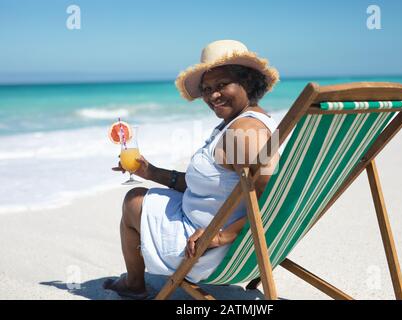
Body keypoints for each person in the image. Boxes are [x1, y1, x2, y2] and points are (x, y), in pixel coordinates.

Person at [104, 40, 280, 299]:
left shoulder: (245, 133)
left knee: (134, 201)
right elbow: (215, 187)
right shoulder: (247, 122)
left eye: (222, 85)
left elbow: (269, 201)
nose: (212, 96)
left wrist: (219, 236)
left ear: (248, 82)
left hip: (207, 247)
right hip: (224, 235)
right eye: (207, 89)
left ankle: (134, 285)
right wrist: (151, 172)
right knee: (142, 193)